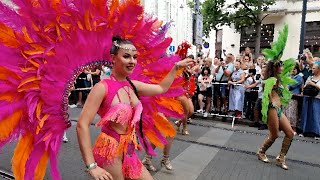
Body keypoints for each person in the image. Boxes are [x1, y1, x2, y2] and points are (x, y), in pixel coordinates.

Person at [76, 36, 194, 180]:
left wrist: (176, 68)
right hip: (109, 151)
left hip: (129, 149)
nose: (132, 61)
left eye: (134, 57)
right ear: (113, 58)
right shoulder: (102, 87)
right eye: (126, 56)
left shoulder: (132, 85)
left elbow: (161, 88)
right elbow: (82, 125)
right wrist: (92, 166)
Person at [256, 25, 295, 170]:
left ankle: (280, 158)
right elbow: (265, 94)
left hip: (279, 109)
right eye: (280, 65)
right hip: (272, 108)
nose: (283, 67)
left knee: (290, 133)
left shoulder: (280, 79)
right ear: (275, 68)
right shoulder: (270, 80)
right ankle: (261, 151)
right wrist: (271, 103)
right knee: (274, 135)